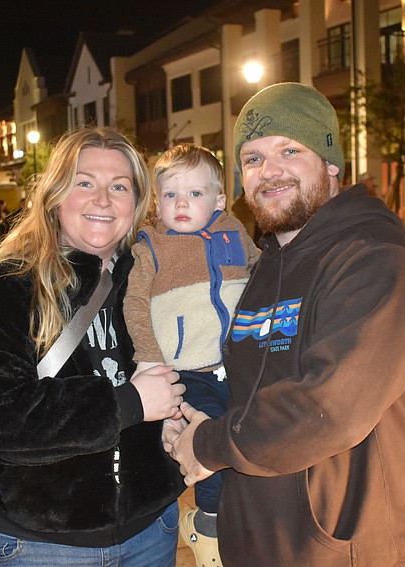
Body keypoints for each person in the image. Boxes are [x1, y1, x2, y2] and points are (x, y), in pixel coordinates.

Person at [164, 82, 405, 566]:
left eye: (289, 151)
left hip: (346, 550)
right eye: (251, 159)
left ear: (330, 162)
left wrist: (209, 444)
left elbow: (327, 408)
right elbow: (249, 389)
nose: (268, 172)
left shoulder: (376, 260)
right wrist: (191, 420)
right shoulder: (267, 263)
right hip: (259, 542)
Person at [0, 127, 187, 567]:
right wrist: (128, 404)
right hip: (40, 545)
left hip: (152, 529)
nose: (103, 199)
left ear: (136, 202)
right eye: (85, 183)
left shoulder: (156, 279)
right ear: (56, 195)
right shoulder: (7, 288)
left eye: (119, 186)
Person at [123, 143, 259, 565]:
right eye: (170, 195)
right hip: (188, 370)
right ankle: (209, 527)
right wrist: (148, 360)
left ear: (218, 200)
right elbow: (134, 305)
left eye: (195, 194)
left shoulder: (234, 232)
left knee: (249, 438)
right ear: (156, 203)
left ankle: (236, 517)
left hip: (236, 365)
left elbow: (264, 270)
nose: (182, 203)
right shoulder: (152, 246)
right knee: (209, 439)